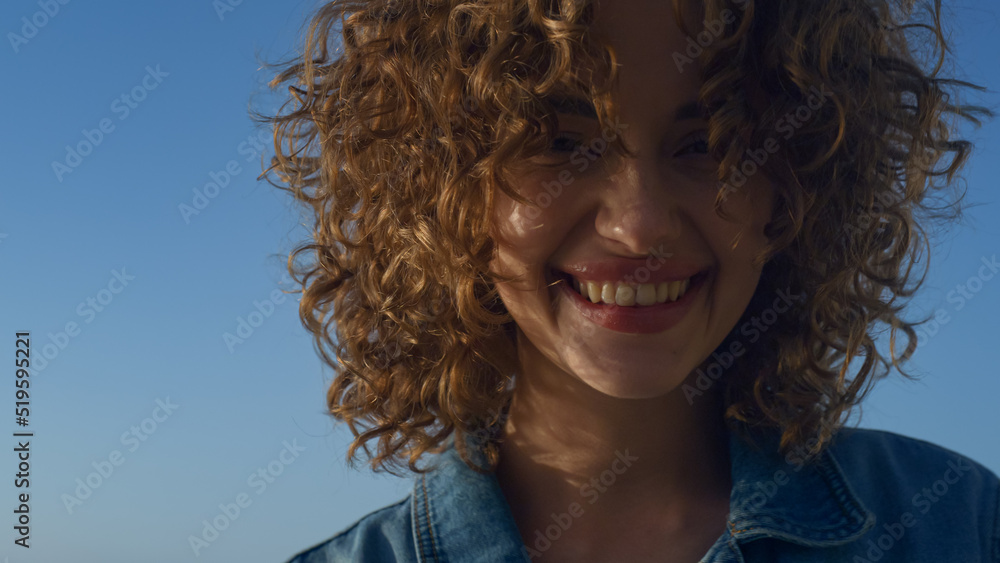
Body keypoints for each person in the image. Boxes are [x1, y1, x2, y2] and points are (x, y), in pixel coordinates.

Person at [262, 0, 999, 561]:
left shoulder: (959, 523)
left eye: (709, 143)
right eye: (558, 141)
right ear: (438, 188)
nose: (639, 225)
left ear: (796, 182)